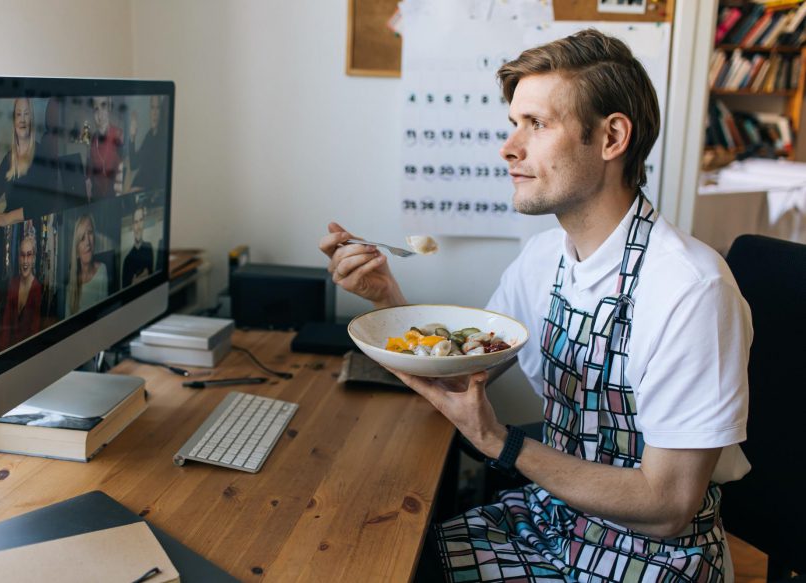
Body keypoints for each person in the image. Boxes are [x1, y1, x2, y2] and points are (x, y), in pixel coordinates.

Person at [319, 29, 751, 582]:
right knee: (385, 557)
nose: (508, 148)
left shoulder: (691, 290)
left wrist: (499, 441)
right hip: (558, 517)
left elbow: (668, 507)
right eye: (513, 124)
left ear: (612, 136)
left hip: (655, 557)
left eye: (537, 124)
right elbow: (462, 370)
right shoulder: (544, 256)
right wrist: (388, 301)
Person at [0, 98, 56, 230]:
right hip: (10, 229)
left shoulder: (42, 154)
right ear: (14, 121)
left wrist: (7, 217)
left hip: (32, 229)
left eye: (26, 114)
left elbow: (42, 204)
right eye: (18, 114)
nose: (22, 119)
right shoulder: (9, 158)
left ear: (31, 120)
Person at [0, 231, 42, 350]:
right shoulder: (13, 283)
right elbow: (6, 321)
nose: (25, 260)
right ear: (18, 258)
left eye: (29, 255)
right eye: (22, 255)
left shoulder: (37, 288)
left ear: (33, 258)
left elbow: (35, 330)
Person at [66, 214, 108, 316]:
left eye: (90, 233)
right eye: (82, 238)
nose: (87, 242)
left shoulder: (102, 270)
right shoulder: (70, 285)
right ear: (76, 248)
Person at [85, 96, 124, 200]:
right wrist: (87, 180)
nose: (100, 115)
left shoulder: (118, 135)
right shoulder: (93, 139)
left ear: (109, 106)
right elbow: (90, 168)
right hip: (96, 199)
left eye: (103, 106)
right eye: (96, 109)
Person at [126, 95, 167, 193]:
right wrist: (132, 137)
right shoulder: (149, 135)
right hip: (136, 190)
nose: (155, 113)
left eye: (158, 108)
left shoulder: (163, 138)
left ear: (161, 112)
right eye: (152, 108)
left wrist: (141, 190)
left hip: (146, 194)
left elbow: (159, 181)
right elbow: (134, 164)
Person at [121, 205, 153, 286]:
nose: (138, 227)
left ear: (144, 222)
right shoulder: (127, 260)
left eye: (141, 220)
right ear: (132, 226)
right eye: (136, 222)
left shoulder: (149, 247)